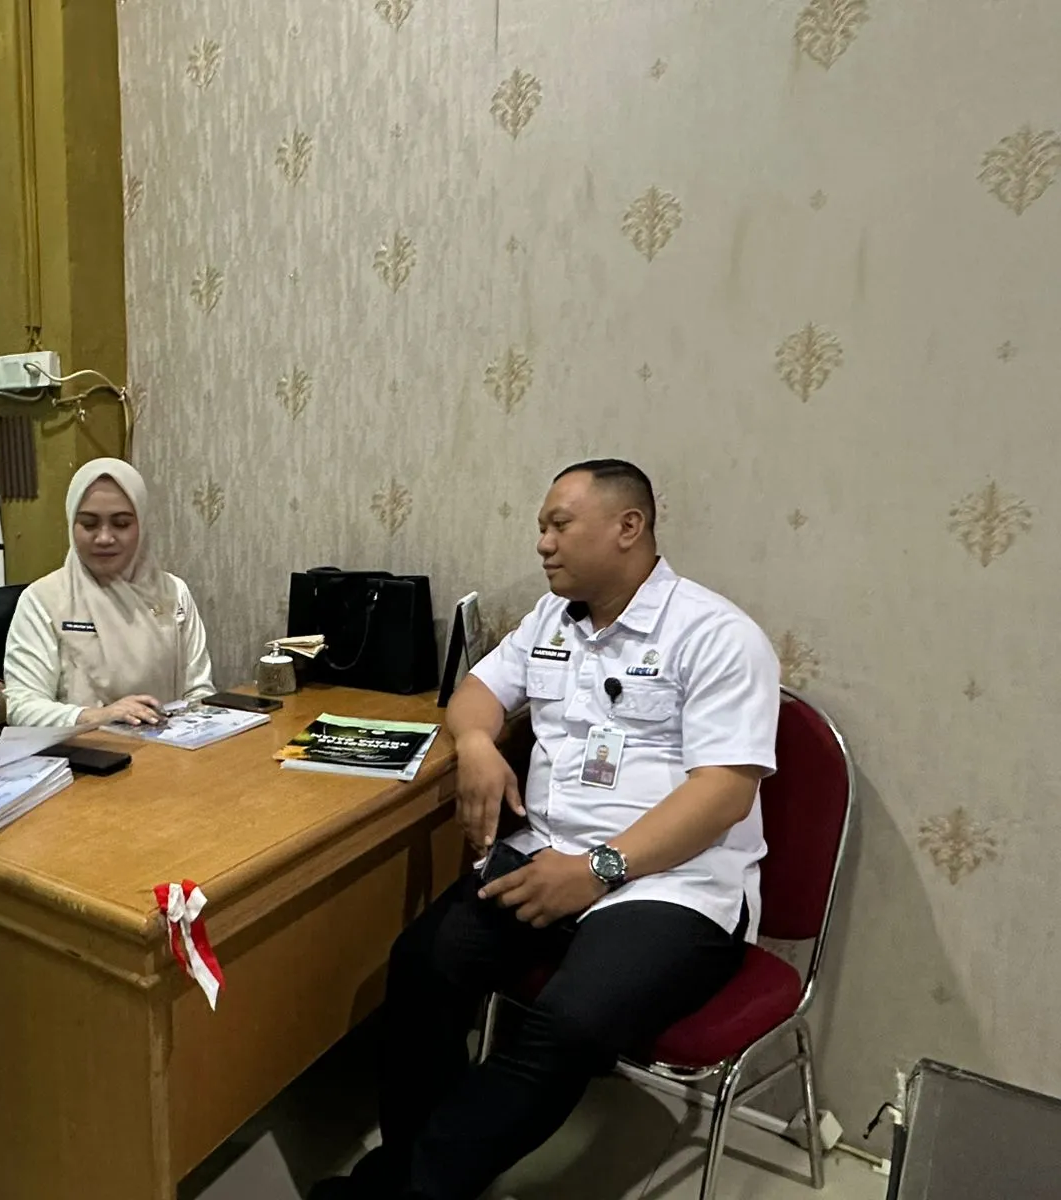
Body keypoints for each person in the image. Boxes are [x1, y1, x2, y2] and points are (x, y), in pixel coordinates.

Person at [312, 460, 781, 1200]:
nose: (542, 543)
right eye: (541, 527)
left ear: (628, 527)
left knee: (569, 1026)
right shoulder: (550, 621)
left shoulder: (716, 634)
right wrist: (475, 743)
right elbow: (476, 691)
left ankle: (406, 1190)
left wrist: (596, 870)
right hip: (544, 855)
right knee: (424, 964)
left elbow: (724, 794)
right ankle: (414, 1173)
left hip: (671, 883)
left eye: (559, 524)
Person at [2, 458, 215, 727]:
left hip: (169, 746)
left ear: (142, 526)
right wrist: (98, 716)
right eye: (89, 524)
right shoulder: (43, 600)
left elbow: (199, 693)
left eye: (122, 524)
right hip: (81, 748)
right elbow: (22, 707)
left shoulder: (174, 593)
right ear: (71, 525)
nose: (104, 538)